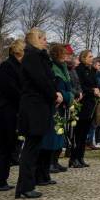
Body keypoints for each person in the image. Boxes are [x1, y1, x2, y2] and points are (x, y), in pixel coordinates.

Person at [15, 28, 60, 199]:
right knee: (31, 147)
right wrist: (54, 94)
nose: (46, 42)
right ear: (36, 39)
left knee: (34, 146)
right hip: (34, 107)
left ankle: (27, 184)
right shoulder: (32, 57)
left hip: (39, 106)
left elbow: (47, 79)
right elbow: (41, 80)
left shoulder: (37, 57)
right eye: (44, 39)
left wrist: (55, 93)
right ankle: (25, 186)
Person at [0, 39, 23, 191]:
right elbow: (10, 89)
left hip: (12, 110)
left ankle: (2, 178)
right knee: (3, 145)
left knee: (9, 145)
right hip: (5, 110)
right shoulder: (7, 66)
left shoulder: (18, 67)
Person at [42, 43, 74, 178]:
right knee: (53, 134)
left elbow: (68, 87)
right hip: (55, 105)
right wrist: (68, 96)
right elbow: (58, 89)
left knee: (59, 133)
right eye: (63, 54)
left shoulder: (63, 68)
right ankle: (50, 162)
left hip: (62, 105)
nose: (66, 56)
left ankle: (55, 161)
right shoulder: (54, 69)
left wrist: (70, 95)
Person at [69, 50, 98, 168]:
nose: (92, 58)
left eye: (92, 56)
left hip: (90, 105)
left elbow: (95, 84)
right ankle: (73, 158)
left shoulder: (91, 70)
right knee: (78, 133)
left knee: (84, 133)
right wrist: (92, 90)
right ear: (83, 58)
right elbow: (80, 86)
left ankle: (80, 157)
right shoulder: (79, 70)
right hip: (81, 105)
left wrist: (97, 89)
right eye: (90, 56)